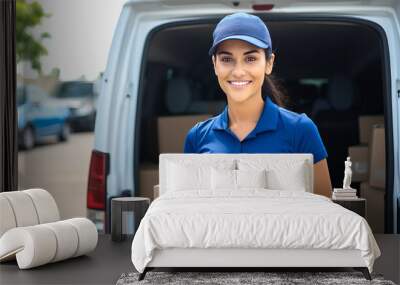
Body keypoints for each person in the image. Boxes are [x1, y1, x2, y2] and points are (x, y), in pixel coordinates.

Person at [183, 12, 332, 198]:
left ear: (269, 63)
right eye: (226, 59)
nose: (238, 72)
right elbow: (191, 212)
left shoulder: (300, 130)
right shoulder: (197, 137)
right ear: (215, 65)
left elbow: (325, 214)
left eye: (250, 58)